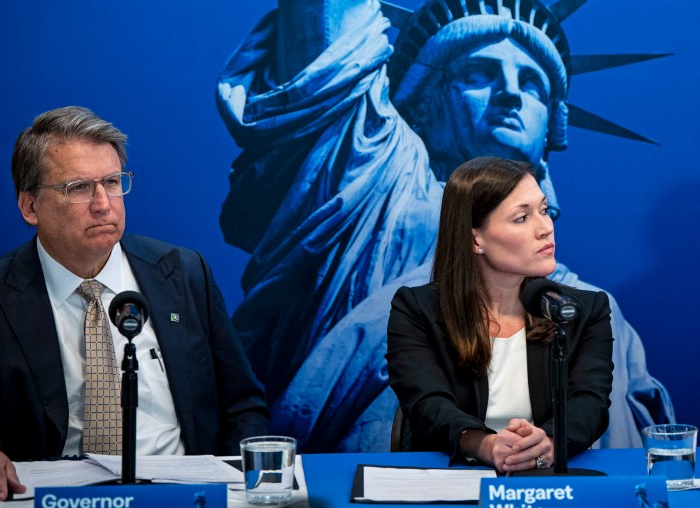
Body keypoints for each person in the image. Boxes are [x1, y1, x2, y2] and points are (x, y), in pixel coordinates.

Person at [216, 0, 672, 452]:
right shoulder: (374, 181)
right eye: (479, 74)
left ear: (552, 126)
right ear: (425, 101)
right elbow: (328, 32)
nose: (511, 94)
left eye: (531, 83)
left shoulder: (593, 312)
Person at [0, 106, 270, 503]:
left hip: (182, 493)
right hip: (55, 496)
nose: (103, 204)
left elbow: (242, 403)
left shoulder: (183, 273)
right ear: (29, 207)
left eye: (112, 182)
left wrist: (241, 489)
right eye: (77, 187)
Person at [386, 157, 613, 472]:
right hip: (456, 481)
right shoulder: (416, 310)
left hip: (548, 483)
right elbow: (428, 405)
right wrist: (487, 445)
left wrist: (546, 443)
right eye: (522, 218)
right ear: (475, 239)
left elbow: (590, 404)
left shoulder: (581, 310)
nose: (546, 228)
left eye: (544, 211)